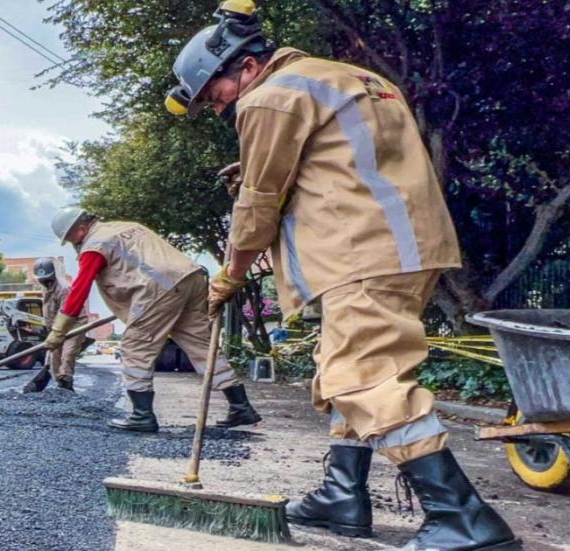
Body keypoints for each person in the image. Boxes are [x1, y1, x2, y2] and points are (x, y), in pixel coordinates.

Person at [167, 3, 517, 550]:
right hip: (406, 245)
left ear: (248, 67)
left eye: (217, 95)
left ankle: (463, 518)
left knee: (363, 377)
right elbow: (348, 160)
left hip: (360, 252)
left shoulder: (269, 98)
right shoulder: (350, 77)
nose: (220, 109)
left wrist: (229, 275)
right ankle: (342, 494)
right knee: (342, 369)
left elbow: (259, 203)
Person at [44, 206, 261, 433]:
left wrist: (58, 331)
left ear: (80, 229)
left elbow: (79, 290)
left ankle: (142, 415)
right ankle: (240, 406)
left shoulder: (94, 245)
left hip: (159, 286)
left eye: (70, 239)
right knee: (200, 344)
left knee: (135, 346)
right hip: (191, 277)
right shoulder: (127, 227)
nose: (72, 244)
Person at [23, 257, 86, 392]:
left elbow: (66, 313)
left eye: (46, 279)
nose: (44, 282)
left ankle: (66, 380)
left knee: (67, 354)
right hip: (57, 327)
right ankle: (61, 386)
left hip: (74, 324)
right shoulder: (45, 289)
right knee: (55, 357)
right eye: (41, 279)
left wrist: (56, 332)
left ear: (52, 276)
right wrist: (49, 330)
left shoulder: (63, 289)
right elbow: (49, 311)